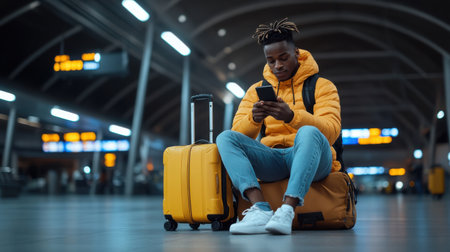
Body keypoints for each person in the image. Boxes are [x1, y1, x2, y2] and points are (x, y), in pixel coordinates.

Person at [216, 18, 341, 235]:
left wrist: (293, 117)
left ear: (297, 54)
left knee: (308, 131)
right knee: (225, 137)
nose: (278, 66)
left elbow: (330, 131)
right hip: (274, 158)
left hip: (315, 159)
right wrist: (254, 119)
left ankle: (287, 210)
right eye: (271, 60)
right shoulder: (256, 90)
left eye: (283, 58)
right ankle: (260, 210)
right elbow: (238, 134)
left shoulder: (323, 86)